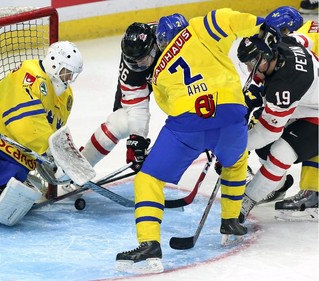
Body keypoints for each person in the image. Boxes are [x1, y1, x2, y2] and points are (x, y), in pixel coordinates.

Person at [115, 8, 278, 273]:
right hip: (230, 117)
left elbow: (169, 107)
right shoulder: (199, 28)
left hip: (188, 125)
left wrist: (202, 134)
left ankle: (149, 244)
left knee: (148, 179)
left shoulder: (158, 74)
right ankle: (230, 220)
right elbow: (226, 18)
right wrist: (260, 27)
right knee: (236, 164)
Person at [0, 41, 84, 226]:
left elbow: (55, 132)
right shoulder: (30, 73)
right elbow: (24, 123)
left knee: (8, 194)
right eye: (67, 72)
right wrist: (51, 153)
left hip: (15, 153)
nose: (69, 79)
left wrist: (61, 158)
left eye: (73, 75)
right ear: (54, 62)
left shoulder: (66, 98)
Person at [80, 14, 188, 172]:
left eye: (142, 59)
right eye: (133, 62)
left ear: (155, 46)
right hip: (154, 78)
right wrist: (137, 139)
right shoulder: (133, 64)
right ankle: (84, 163)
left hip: (177, 81)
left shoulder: (171, 42)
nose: (138, 65)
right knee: (120, 121)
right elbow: (137, 107)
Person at [237, 30, 318, 223]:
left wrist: (235, 145)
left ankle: (247, 200)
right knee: (264, 145)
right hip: (307, 103)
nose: (250, 70)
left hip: (313, 112)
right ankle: (277, 185)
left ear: (266, 58)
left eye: (252, 64)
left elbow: (268, 133)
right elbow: (304, 39)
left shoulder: (285, 87)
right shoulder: (285, 43)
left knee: (281, 152)